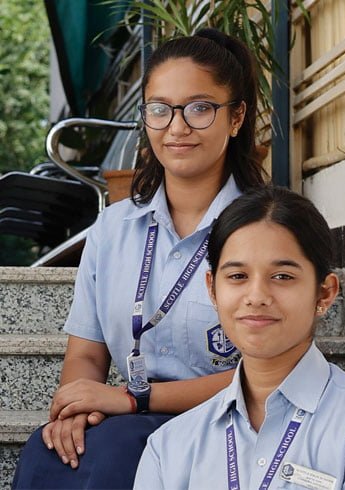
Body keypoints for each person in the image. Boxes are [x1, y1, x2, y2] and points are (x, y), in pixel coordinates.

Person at [12, 28, 265, 489]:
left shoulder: (268, 228)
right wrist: (78, 407)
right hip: (129, 420)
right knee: (48, 451)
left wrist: (131, 399)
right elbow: (87, 355)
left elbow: (268, 376)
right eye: (160, 109)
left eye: (200, 108)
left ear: (236, 117)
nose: (178, 127)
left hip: (230, 423)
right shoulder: (113, 229)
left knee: (119, 453)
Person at [134, 185, 345, 490]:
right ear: (213, 289)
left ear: (325, 293)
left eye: (282, 276)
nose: (256, 296)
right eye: (237, 276)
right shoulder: (170, 447)